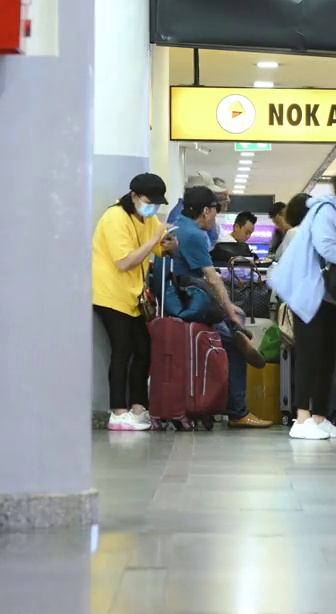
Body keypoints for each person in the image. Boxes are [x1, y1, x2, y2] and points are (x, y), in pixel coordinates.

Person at [269, 168, 336, 440]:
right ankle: (301, 419)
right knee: (309, 355)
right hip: (309, 293)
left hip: (325, 296)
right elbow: (326, 249)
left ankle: (320, 416)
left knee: (327, 356)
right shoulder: (326, 213)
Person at [168, 186, 271, 430]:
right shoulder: (192, 234)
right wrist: (228, 307)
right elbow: (211, 277)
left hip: (185, 298)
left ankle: (223, 403)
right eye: (215, 210)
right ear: (205, 211)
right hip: (193, 303)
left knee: (233, 327)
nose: (217, 215)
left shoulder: (179, 223)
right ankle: (238, 411)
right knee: (235, 346)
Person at [92, 173, 178, 431]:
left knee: (143, 349)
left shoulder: (146, 217)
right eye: (148, 202)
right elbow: (125, 261)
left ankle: (138, 407)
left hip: (132, 296)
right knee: (122, 351)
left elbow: (157, 248)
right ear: (133, 196)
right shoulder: (115, 217)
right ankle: (118, 411)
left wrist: (169, 244)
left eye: (156, 204)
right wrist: (154, 240)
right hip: (110, 295)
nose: (152, 208)